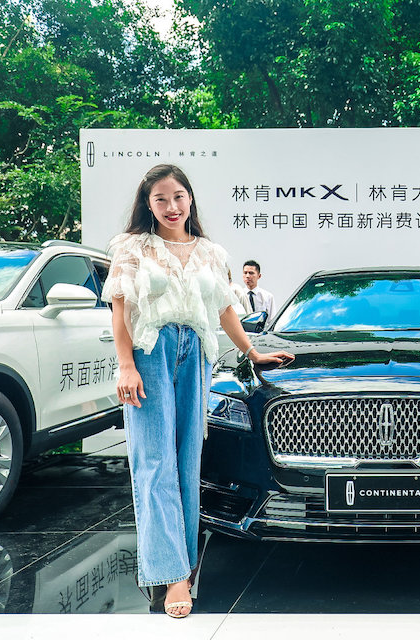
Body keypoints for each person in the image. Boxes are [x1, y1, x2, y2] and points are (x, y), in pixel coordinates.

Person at [102, 164, 293, 618]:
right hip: (151, 353)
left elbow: (224, 310)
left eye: (178, 197)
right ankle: (172, 576)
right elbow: (120, 310)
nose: (171, 207)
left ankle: (183, 566)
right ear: (148, 204)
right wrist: (126, 365)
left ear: (190, 199)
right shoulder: (132, 247)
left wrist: (252, 352)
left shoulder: (210, 252)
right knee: (154, 463)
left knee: (188, 461)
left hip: (198, 356)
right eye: (161, 199)